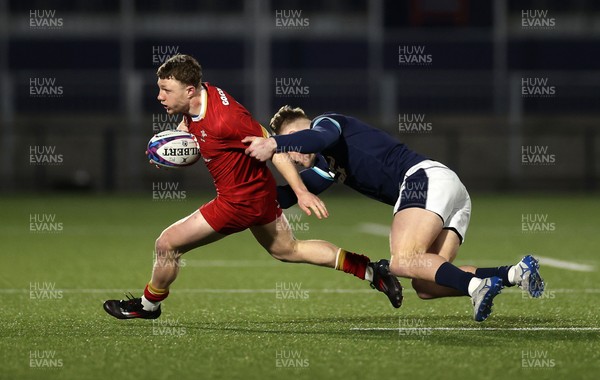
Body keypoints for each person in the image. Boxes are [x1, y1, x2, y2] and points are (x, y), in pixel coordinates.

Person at [103, 55, 403, 320]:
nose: (159, 96)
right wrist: (169, 149)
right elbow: (196, 132)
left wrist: (300, 191)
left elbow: (273, 148)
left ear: (191, 90)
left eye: (166, 90)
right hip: (259, 195)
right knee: (289, 250)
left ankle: (148, 306)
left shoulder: (226, 120)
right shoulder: (204, 97)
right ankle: (372, 271)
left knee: (167, 244)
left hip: (237, 202)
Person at [243, 106, 545, 322]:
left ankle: (476, 287)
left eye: (295, 139)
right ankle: (513, 273)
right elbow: (285, 195)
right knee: (426, 284)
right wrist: (241, 194)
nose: (294, 156)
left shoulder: (328, 123)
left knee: (402, 260)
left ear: (306, 127)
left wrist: (276, 143)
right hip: (452, 192)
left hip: (423, 179)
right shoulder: (327, 167)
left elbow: (317, 138)